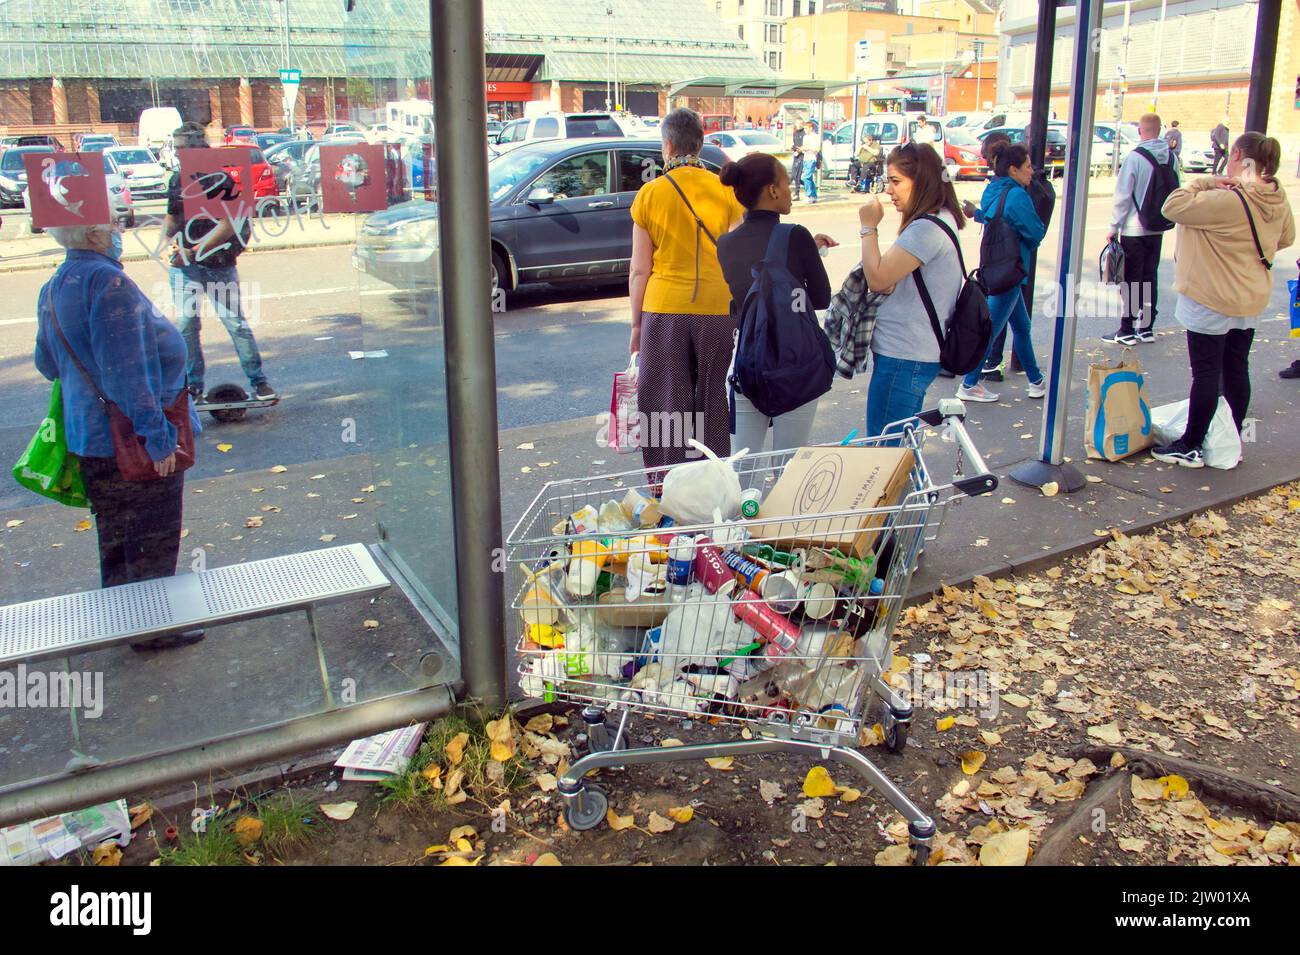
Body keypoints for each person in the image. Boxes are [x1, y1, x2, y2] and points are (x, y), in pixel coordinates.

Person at [34, 223, 204, 650]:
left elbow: (47, 364)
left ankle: (123, 623)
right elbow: (127, 371)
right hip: (131, 442)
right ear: (92, 233)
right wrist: (158, 438)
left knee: (114, 536)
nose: (118, 230)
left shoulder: (55, 284)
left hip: (89, 439)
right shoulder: (109, 283)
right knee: (152, 537)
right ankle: (151, 630)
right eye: (111, 223)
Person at [1150, 133, 1295, 468]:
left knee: (1205, 373)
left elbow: (1171, 206)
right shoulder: (1276, 198)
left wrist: (1205, 182)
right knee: (1236, 367)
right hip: (1249, 297)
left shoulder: (1228, 199)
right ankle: (1229, 438)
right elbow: (1285, 238)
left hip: (1211, 297)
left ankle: (1191, 445)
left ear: (1238, 155)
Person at [629, 108, 746, 472]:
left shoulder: (650, 194)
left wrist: (636, 327)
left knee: (666, 406)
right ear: (701, 142)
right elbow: (738, 256)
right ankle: (711, 489)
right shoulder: (727, 193)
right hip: (717, 309)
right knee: (712, 402)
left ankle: (668, 491)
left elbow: (639, 269)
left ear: (667, 144)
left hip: (665, 311)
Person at [716, 153, 837, 454]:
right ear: (772, 190)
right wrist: (810, 253)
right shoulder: (796, 236)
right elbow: (820, 298)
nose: (791, 189)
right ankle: (777, 504)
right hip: (794, 363)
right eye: (786, 182)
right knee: (787, 466)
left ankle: (749, 506)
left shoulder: (725, 243)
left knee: (742, 465)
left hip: (747, 362)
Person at [159, 121, 276, 403]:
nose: (178, 155)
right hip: (185, 265)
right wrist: (165, 243)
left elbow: (229, 223)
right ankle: (193, 386)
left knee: (234, 323)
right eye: (175, 149)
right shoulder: (178, 179)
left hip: (217, 264)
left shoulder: (217, 179)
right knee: (186, 324)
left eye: (182, 149)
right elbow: (173, 217)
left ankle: (258, 381)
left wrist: (196, 249)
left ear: (199, 148)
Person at [857, 142, 967, 439]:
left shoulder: (926, 229)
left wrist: (868, 227)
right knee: (899, 448)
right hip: (912, 352)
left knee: (886, 454)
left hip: (905, 355)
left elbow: (878, 279)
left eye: (896, 181)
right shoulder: (938, 219)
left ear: (923, 181)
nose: (889, 190)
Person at [954, 141, 1048, 403]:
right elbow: (1036, 232)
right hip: (1012, 268)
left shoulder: (992, 190)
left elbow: (991, 218)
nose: (1032, 171)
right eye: (1028, 167)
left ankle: (1036, 381)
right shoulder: (1018, 196)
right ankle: (969, 383)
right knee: (992, 329)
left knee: (1022, 326)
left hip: (996, 267)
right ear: (1014, 170)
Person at [1102, 113, 1176, 346]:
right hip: (1158, 226)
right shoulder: (1171, 157)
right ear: (1160, 129)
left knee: (1131, 280)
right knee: (1149, 277)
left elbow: (1123, 196)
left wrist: (1113, 226)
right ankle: (1146, 328)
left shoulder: (1135, 158)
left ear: (1141, 131)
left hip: (1134, 228)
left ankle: (1126, 329)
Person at [799, 120, 821, 203]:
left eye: (806, 128)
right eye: (804, 128)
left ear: (811, 128)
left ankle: (808, 195)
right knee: (809, 178)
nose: (805, 130)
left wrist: (808, 148)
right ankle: (813, 196)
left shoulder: (815, 137)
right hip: (806, 158)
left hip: (812, 159)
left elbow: (817, 149)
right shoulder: (805, 137)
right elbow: (804, 146)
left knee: (806, 177)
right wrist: (800, 149)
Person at [790, 122, 806, 201]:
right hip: (796, 155)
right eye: (797, 124)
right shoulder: (795, 133)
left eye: (800, 124)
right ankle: (808, 186)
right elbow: (794, 143)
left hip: (802, 155)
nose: (798, 125)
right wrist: (793, 148)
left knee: (798, 175)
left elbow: (805, 145)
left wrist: (800, 150)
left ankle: (797, 193)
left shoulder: (804, 133)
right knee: (793, 175)